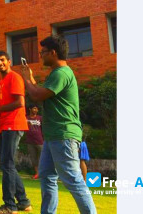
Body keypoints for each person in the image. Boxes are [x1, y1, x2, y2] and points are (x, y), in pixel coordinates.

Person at [20, 35, 96, 214]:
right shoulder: (56, 74)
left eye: (43, 52)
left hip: (63, 135)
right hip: (53, 136)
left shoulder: (61, 73)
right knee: (47, 176)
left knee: (73, 180)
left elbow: (36, 96)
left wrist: (26, 79)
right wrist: (31, 80)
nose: (41, 55)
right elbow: (42, 95)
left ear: (53, 53)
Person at [0, 51, 32, 214]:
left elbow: (20, 102)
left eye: (2, 60)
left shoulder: (14, 77)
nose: (0, 63)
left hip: (14, 125)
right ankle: (23, 202)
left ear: (9, 61)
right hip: (5, 125)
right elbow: (6, 106)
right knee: (7, 164)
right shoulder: (3, 81)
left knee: (7, 164)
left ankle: (10, 206)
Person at [25, 105, 43, 179]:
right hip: (30, 141)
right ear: (30, 109)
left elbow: (44, 128)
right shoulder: (26, 118)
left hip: (40, 141)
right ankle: (37, 173)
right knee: (33, 158)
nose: (36, 110)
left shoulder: (40, 118)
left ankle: (43, 173)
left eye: (37, 108)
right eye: (34, 108)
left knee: (42, 157)